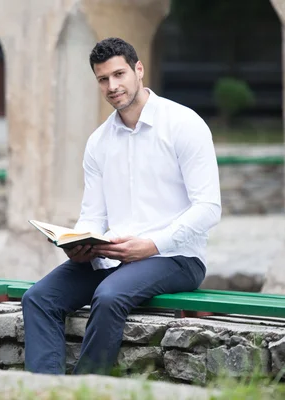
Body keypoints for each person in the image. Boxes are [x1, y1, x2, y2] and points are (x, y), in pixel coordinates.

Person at [21, 37, 221, 375]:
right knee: (38, 298)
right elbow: (94, 214)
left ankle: (84, 391)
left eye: (119, 74)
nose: (112, 86)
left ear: (138, 70)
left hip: (175, 257)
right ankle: (45, 391)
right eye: (103, 79)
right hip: (112, 256)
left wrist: (152, 245)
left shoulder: (184, 124)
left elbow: (209, 207)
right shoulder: (99, 142)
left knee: (110, 296)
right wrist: (83, 244)